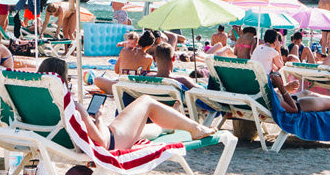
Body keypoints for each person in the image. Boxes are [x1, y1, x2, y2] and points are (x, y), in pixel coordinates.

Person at [36, 57, 215, 150]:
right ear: (63, 80)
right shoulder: (73, 106)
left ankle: (167, 125)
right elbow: (98, 139)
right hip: (111, 141)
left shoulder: (40, 104)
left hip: (108, 136)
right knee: (146, 102)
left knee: (145, 129)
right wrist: (97, 118)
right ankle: (194, 128)